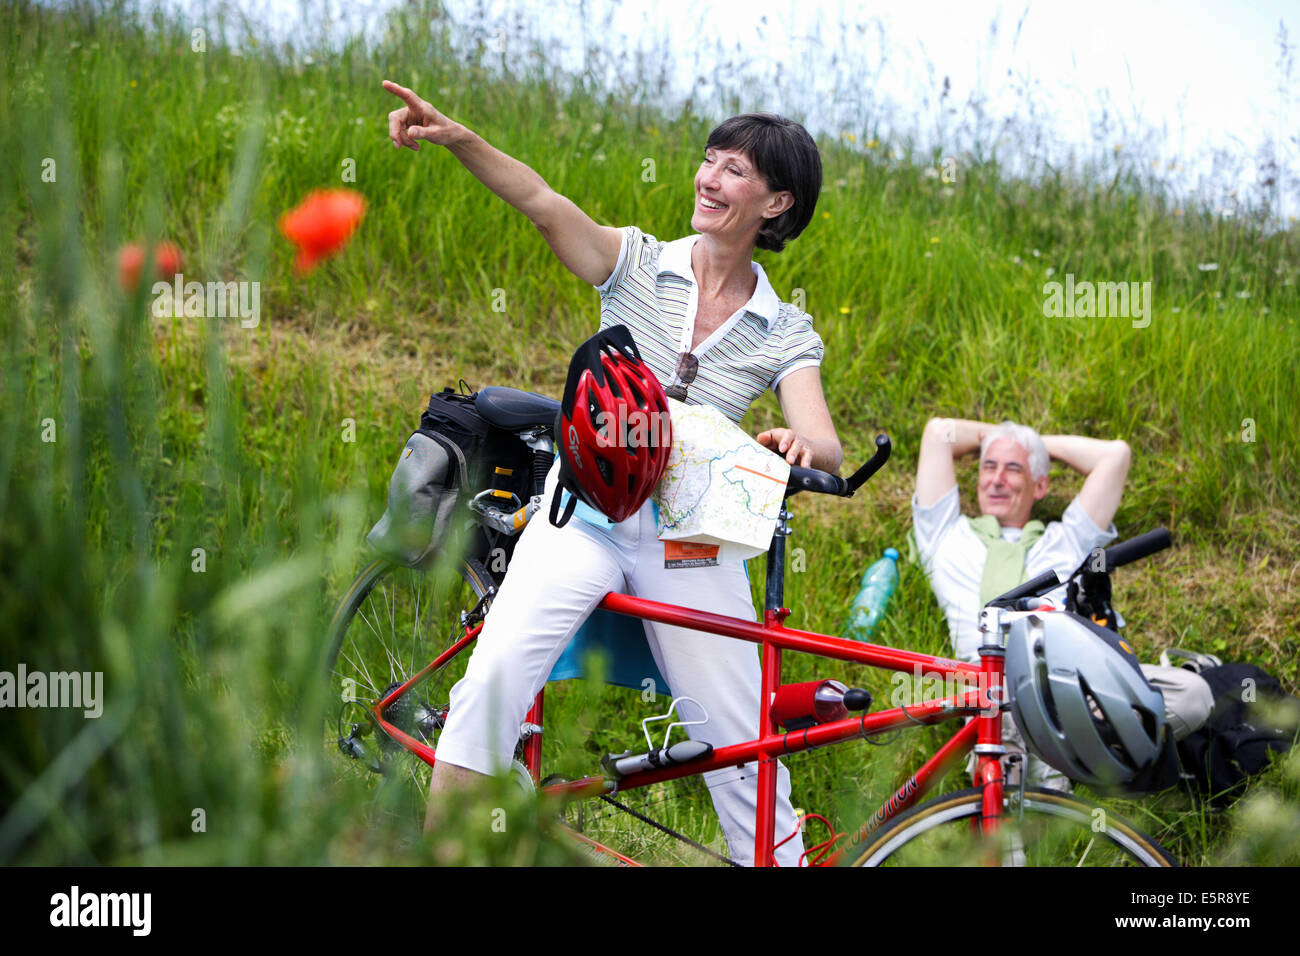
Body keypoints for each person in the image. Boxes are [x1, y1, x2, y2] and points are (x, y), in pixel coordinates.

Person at [383, 80, 842, 865]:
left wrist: (798, 448)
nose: (708, 178)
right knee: (488, 692)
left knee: (738, 745)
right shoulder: (634, 262)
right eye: (708, 161)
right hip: (583, 516)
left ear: (776, 203)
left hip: (689, 543)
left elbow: (823, 444)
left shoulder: (783, 328)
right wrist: (457, 137)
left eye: (734, 170)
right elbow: (540, 200)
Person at [912, 418, 1212, 786]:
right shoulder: (944, 534)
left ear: (1041, 485)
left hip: (1067, 676)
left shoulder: (1067, 540)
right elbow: (937, 432)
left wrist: (1033, 444)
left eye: (1013, 468)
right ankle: (1037, 784)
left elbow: (1114, 456)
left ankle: (1073, 751)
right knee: (1015, 790)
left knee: (1193, 696)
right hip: (989, 680)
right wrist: (1009, 439)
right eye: (988, 466)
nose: (996, 479)